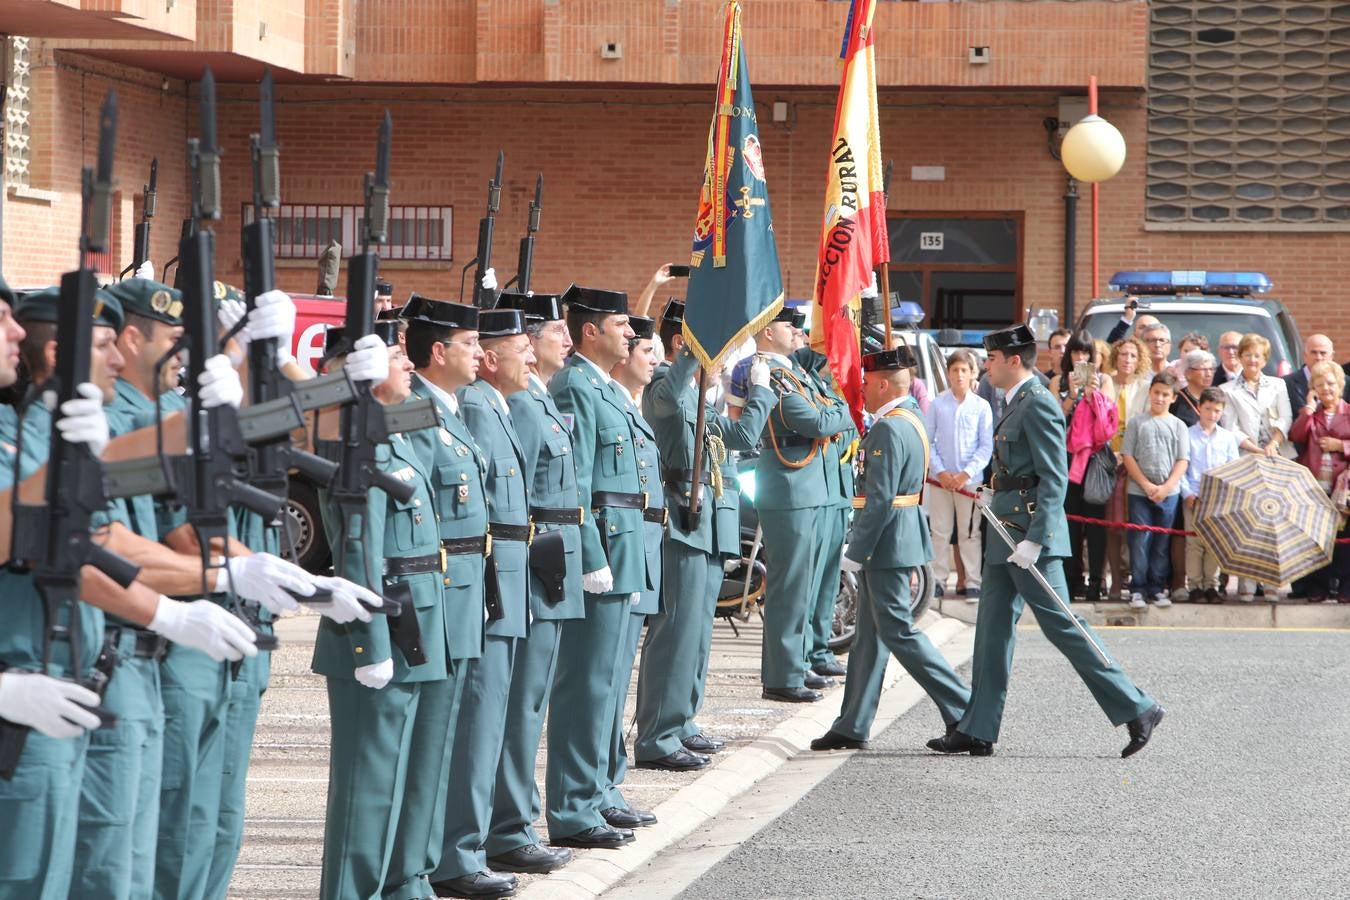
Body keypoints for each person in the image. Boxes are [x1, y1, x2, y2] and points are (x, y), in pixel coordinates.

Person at [926, 323, 1163, 759]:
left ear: (1013, 361)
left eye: (992, 360)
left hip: (1030, 535)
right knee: (992, 633)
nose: (986, 367)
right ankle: (978, 727)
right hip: (1005, 529)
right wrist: (993, 492)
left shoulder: (1037, 404)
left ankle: (1137, 706)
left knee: (1064, 626)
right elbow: (1017, 470)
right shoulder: (1013, 401)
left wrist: (1037, 539)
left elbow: (1053, 476)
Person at [812, 346, 971, 752]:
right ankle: (853, 722)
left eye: (867, 383)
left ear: (884, 385)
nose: (862, 390)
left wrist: (856, 549)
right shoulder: (911, 418)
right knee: (868, 636)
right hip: (897, 536)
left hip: (886, 541)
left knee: (897, 629)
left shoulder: (888, 428)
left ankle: (966, 710)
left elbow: (879, 498)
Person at [636, 301, 772, 771]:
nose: (724, 361)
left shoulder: (701, 399)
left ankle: (681, 721)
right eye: (717, 350)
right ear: (685, 346)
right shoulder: (663, 388)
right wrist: (696, 348)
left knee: (696, 637)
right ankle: (657, 735)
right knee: (674, 634)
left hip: (708, 528)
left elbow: (739, 439)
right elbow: (670, 397)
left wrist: (761, 394)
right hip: (681, 524)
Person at [434, 308, 541, 899]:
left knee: (493, 715)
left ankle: (471, 845)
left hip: (502, 576)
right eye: (518, 348)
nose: (529, 357)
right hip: (483, 581)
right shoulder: (476, 406)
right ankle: (459, 854)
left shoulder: (491, 407)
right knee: (478, 720)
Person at [399, 297, 497, 897]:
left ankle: (434, 863)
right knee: (429, 740)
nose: (479, 355)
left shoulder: (451, 412)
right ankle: (418, 868)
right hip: (438, 593)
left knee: (446, 736)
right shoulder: (416, 413)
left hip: (463, 592)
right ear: (438, 352)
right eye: (468, 344)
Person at [484, 293, 584, 877]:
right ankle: (510, 825)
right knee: (521, 704)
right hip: (531, 559)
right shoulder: (517, 404)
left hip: (546, 556)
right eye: (543, 337)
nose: (562, 342)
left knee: (531, 699)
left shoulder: (538, 398)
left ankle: (516, 819)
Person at [546, 285, 647, 851]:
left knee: (606, 685)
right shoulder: (576, 388)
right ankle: (573, 808)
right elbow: (576, 484)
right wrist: (590, 556)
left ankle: (599, 792)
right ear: (591, 331)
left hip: (625, 547)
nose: (630, 334)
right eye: (619, 324)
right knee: (586, 684)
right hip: (604, 546)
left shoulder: (603, 387)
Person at [751, 306, 854, 703]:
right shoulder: (771, 374)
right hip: (790, 489)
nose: (796, 331)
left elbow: (822, 410)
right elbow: (815, 422)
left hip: (808, 487)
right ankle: (783, 675)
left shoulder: (793, 372)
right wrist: (846, 410)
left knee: (807, 584)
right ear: (765, 333)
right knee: (790, 588)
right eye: (787, 326)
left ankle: (799, 662)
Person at [598, 316, 664, 825]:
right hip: (613, 551)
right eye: (647, 351)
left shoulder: (626, 402)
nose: (655, 360)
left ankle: (607, 786)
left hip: (637, 548)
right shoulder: (597, 395)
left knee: (616, 683)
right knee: (599, 685)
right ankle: (590, 794)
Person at [1048, 331, 1117, 603]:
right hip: (1066, 460)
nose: (1081, 358)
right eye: (1077, 352)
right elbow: (1054, 419)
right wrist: (1072, 396)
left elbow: (1107, 423)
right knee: (1070, 523)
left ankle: (1096, 581)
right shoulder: (1057, 381)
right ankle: (1070, 579)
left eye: (1086, 353)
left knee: (1096, 524)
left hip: (1095, 460)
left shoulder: (1105, 380)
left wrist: (1093, 396)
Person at [924, 350, 992, 603]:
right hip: (941, 481)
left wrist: (965, 474)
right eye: (955, 370)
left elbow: (985, 447)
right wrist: (941, 471)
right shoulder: (937, 404)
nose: (960, 375)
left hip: (969, 482)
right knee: (940, 531)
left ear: (973, 373)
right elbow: (928, 441)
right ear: (948, 373)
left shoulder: (981, 407)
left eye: (965, 370)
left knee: (970, 532)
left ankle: (973, 581)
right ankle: (938, 580)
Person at [1120, 372, 1189, 610]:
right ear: (1150, 393)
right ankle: (1137, 587)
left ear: (1173, 398)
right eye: (1156, 393)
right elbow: (1127, 455)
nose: (1160, 398)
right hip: (1139, 492)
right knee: (1139, 539)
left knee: (1161, 541)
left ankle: (1157, 587)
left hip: (1169, 493)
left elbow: (1182, 460)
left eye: (1165, 394)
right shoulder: (1137, 423)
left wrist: (1167, 487)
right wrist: (1146, 485)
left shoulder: (1179, 426)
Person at [1288, 361, 1350, 603]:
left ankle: (1346, 587)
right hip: (1315, 486)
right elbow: (1297, 435)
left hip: (1343, 490)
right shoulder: (1313, 415)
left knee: (1345, 542)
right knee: (1316, 538)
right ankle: (1318, 585)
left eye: (1331, 383)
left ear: (1340, 385)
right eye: (1320, 384)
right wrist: (1308, 409)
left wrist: (1341, 446)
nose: (1326, 388)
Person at [1180, 388, 1240, 603]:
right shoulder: (1187, 435)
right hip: (1194, 496)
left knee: (1214, 543)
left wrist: (1225, 496)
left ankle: (1211, 585)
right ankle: (1195, 585)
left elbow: (1232, 469)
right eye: (1208, 409)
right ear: (1199, 408)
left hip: (1218, 498)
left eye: (1217, 410)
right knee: (1194, 544)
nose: (1212, 414)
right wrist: (1187, 493)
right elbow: (1181, 468)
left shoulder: (1227, 438)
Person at [1106, 336, 1150, 600]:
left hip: (1135, 462)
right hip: (1109, 460)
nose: (1127, 360)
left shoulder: (1146, 388)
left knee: (1135, 522)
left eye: (1133, 355)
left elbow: (1145, 424)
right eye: (1123, 354)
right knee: (1112, 522)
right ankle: (1114, 579)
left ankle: (1135, 577)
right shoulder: (1106, 382)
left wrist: (1128, 455)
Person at [1284, 334, 1350, 456]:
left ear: (1331, 356)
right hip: (1303, 461)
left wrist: (1341, 446)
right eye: (1314, 353)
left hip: (1342, 464)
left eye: (1323, 353)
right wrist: (1309, 409)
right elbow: (1291, 431)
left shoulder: (1348, 383)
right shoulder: (1285, 384)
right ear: (1305, 356)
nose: (1318, 357)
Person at [1170, 349, 1217, 428]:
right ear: (1188, 373)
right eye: (1204, 370)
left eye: (1211, 369)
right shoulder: (1176, 400)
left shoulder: (1216, 397)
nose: (1209, 374)